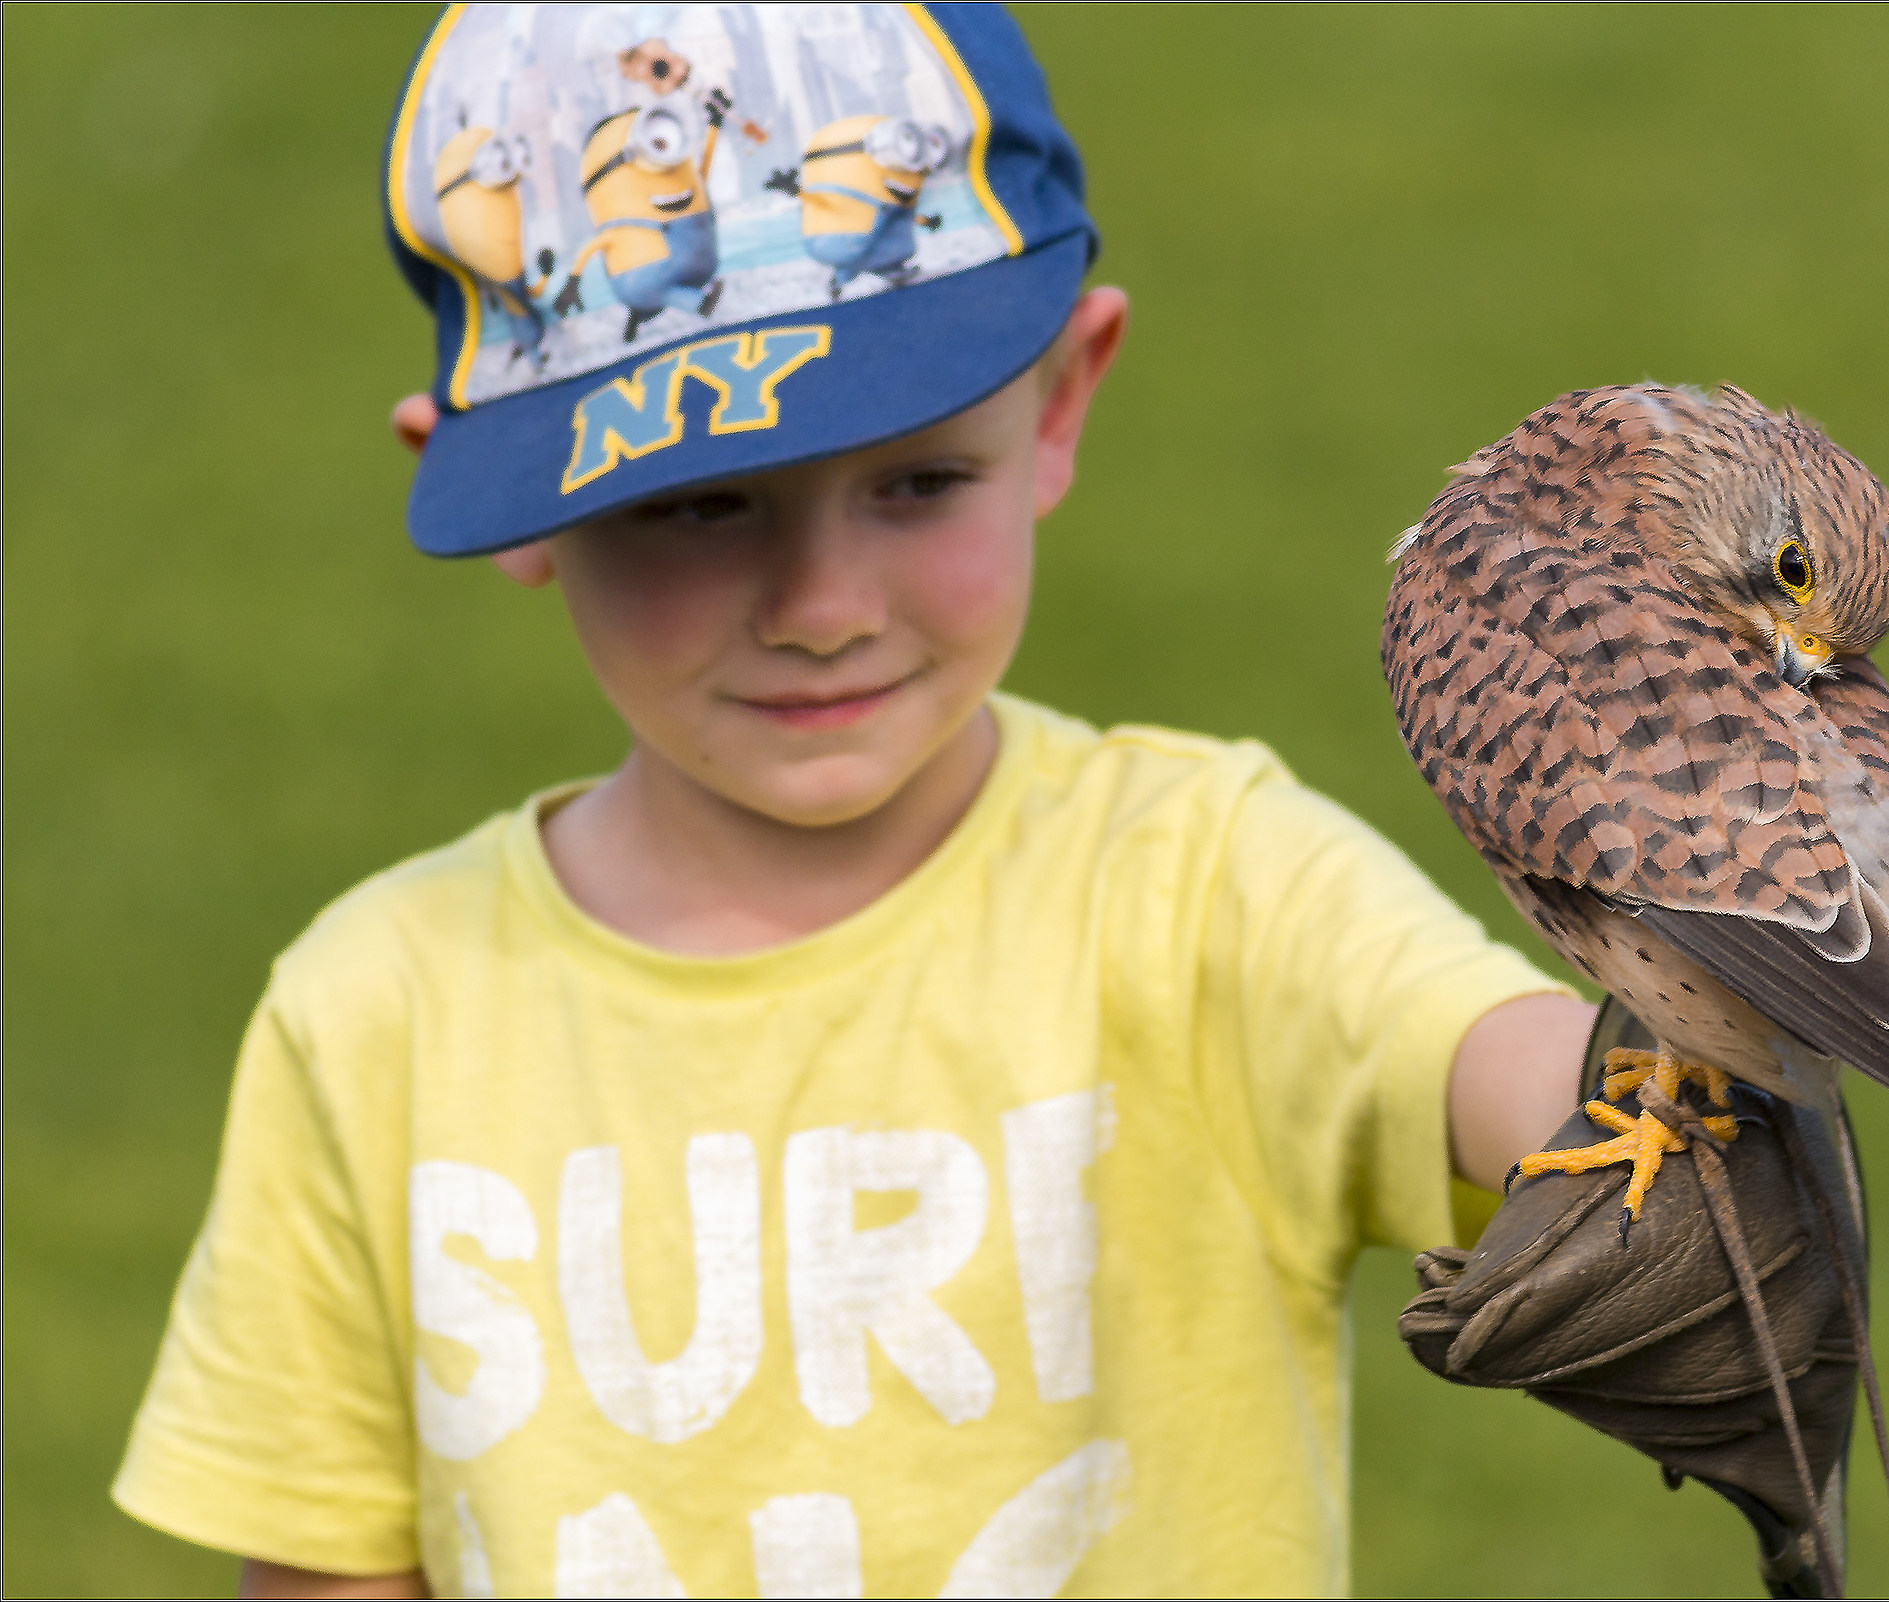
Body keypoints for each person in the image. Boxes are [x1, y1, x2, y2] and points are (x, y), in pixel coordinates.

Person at [112, 6, 1594, 1597]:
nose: (822, 607)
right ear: (506, 497)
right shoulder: (377, 1017)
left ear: (1060, 401)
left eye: (917, 482)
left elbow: (1510, 1067)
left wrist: (1703, 1105)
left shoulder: (1203, 880)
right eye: (698, 503)